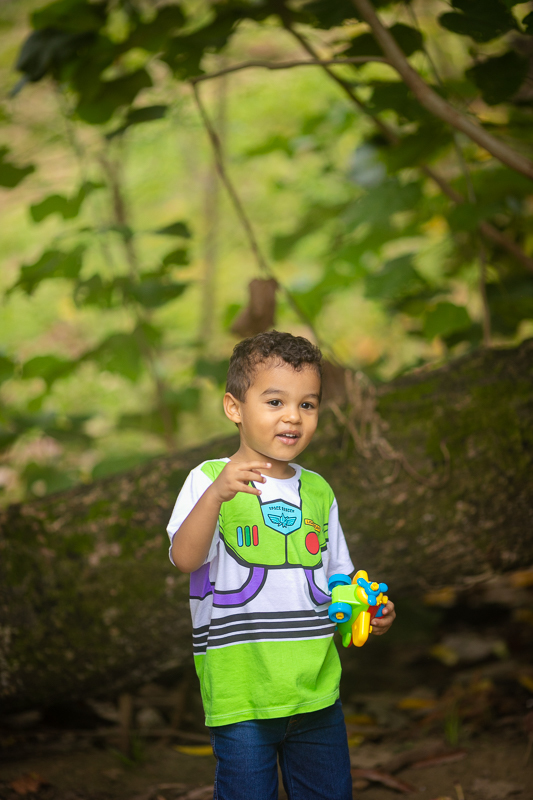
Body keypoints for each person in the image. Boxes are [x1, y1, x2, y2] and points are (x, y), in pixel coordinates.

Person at [167, 331, 396, 800]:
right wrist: (217, 495)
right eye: (275, 401)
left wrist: (366, 610)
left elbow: (336, 578)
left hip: (316, 690)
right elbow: (184, 558)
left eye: (307, 405)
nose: (293, 416)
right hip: (243, 694)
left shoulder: (318, 491)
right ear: (234, 408)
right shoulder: (208, 479)